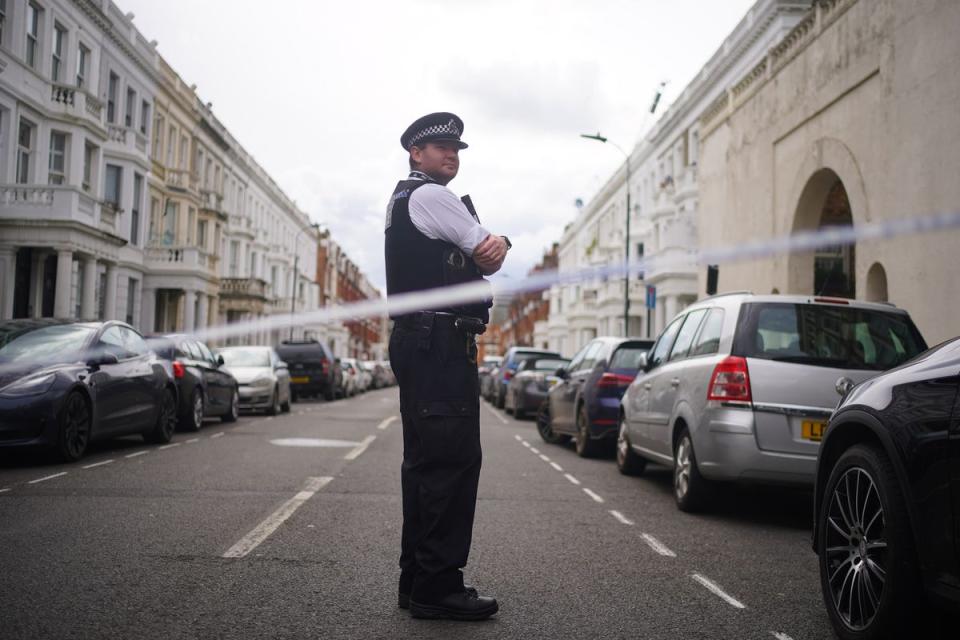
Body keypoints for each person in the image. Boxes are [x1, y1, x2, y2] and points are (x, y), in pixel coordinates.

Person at [385, 112, 509, 621]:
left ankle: (416, 580)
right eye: (439, 147)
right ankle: (438, 586)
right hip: (439, 341)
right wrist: (499, 242)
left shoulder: (401, 199)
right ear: (416, 154)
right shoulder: (433, 196)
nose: (450, 154)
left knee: (423, 464)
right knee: (451, 465)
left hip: (417, 338)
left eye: (456, 147)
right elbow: (487, 253)